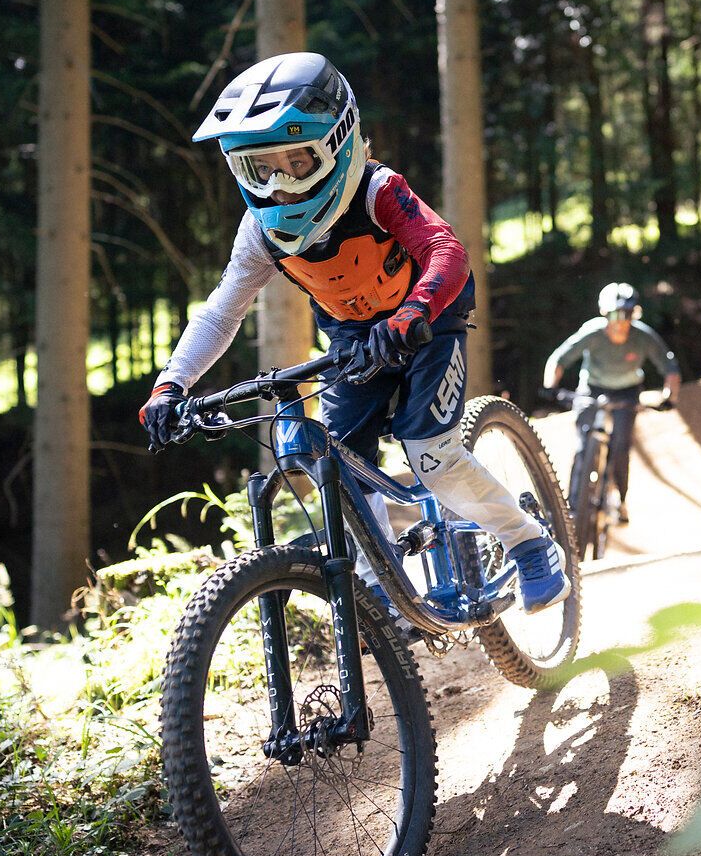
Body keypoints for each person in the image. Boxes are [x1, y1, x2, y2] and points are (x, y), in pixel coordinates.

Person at [138, 52, 571, 611]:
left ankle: (529, 543)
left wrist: (413, 313)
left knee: (431, 454)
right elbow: (222, 312)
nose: (279, 184)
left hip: (428, 319)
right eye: (259, 167)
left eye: (296, 161)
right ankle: (382, 591)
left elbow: (446, 251)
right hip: (352, 340)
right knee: (341, 465)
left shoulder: (375, 189)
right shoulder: (259, 232)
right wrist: (171, 385)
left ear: (338, 144)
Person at [542, 282, 681, 525]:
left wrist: (670, 397)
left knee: (621, 446)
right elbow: (559, 358)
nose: (620, 321)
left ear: (634, 314)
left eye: (626, 314)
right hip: (592, 388)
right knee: (583, 445)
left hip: (627, 391)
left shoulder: (643, 336)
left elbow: (670, 367)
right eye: (614, 315)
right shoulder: (592, 332)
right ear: (604, 314)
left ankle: (621, 500)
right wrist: (550, 387)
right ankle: (573, 508)